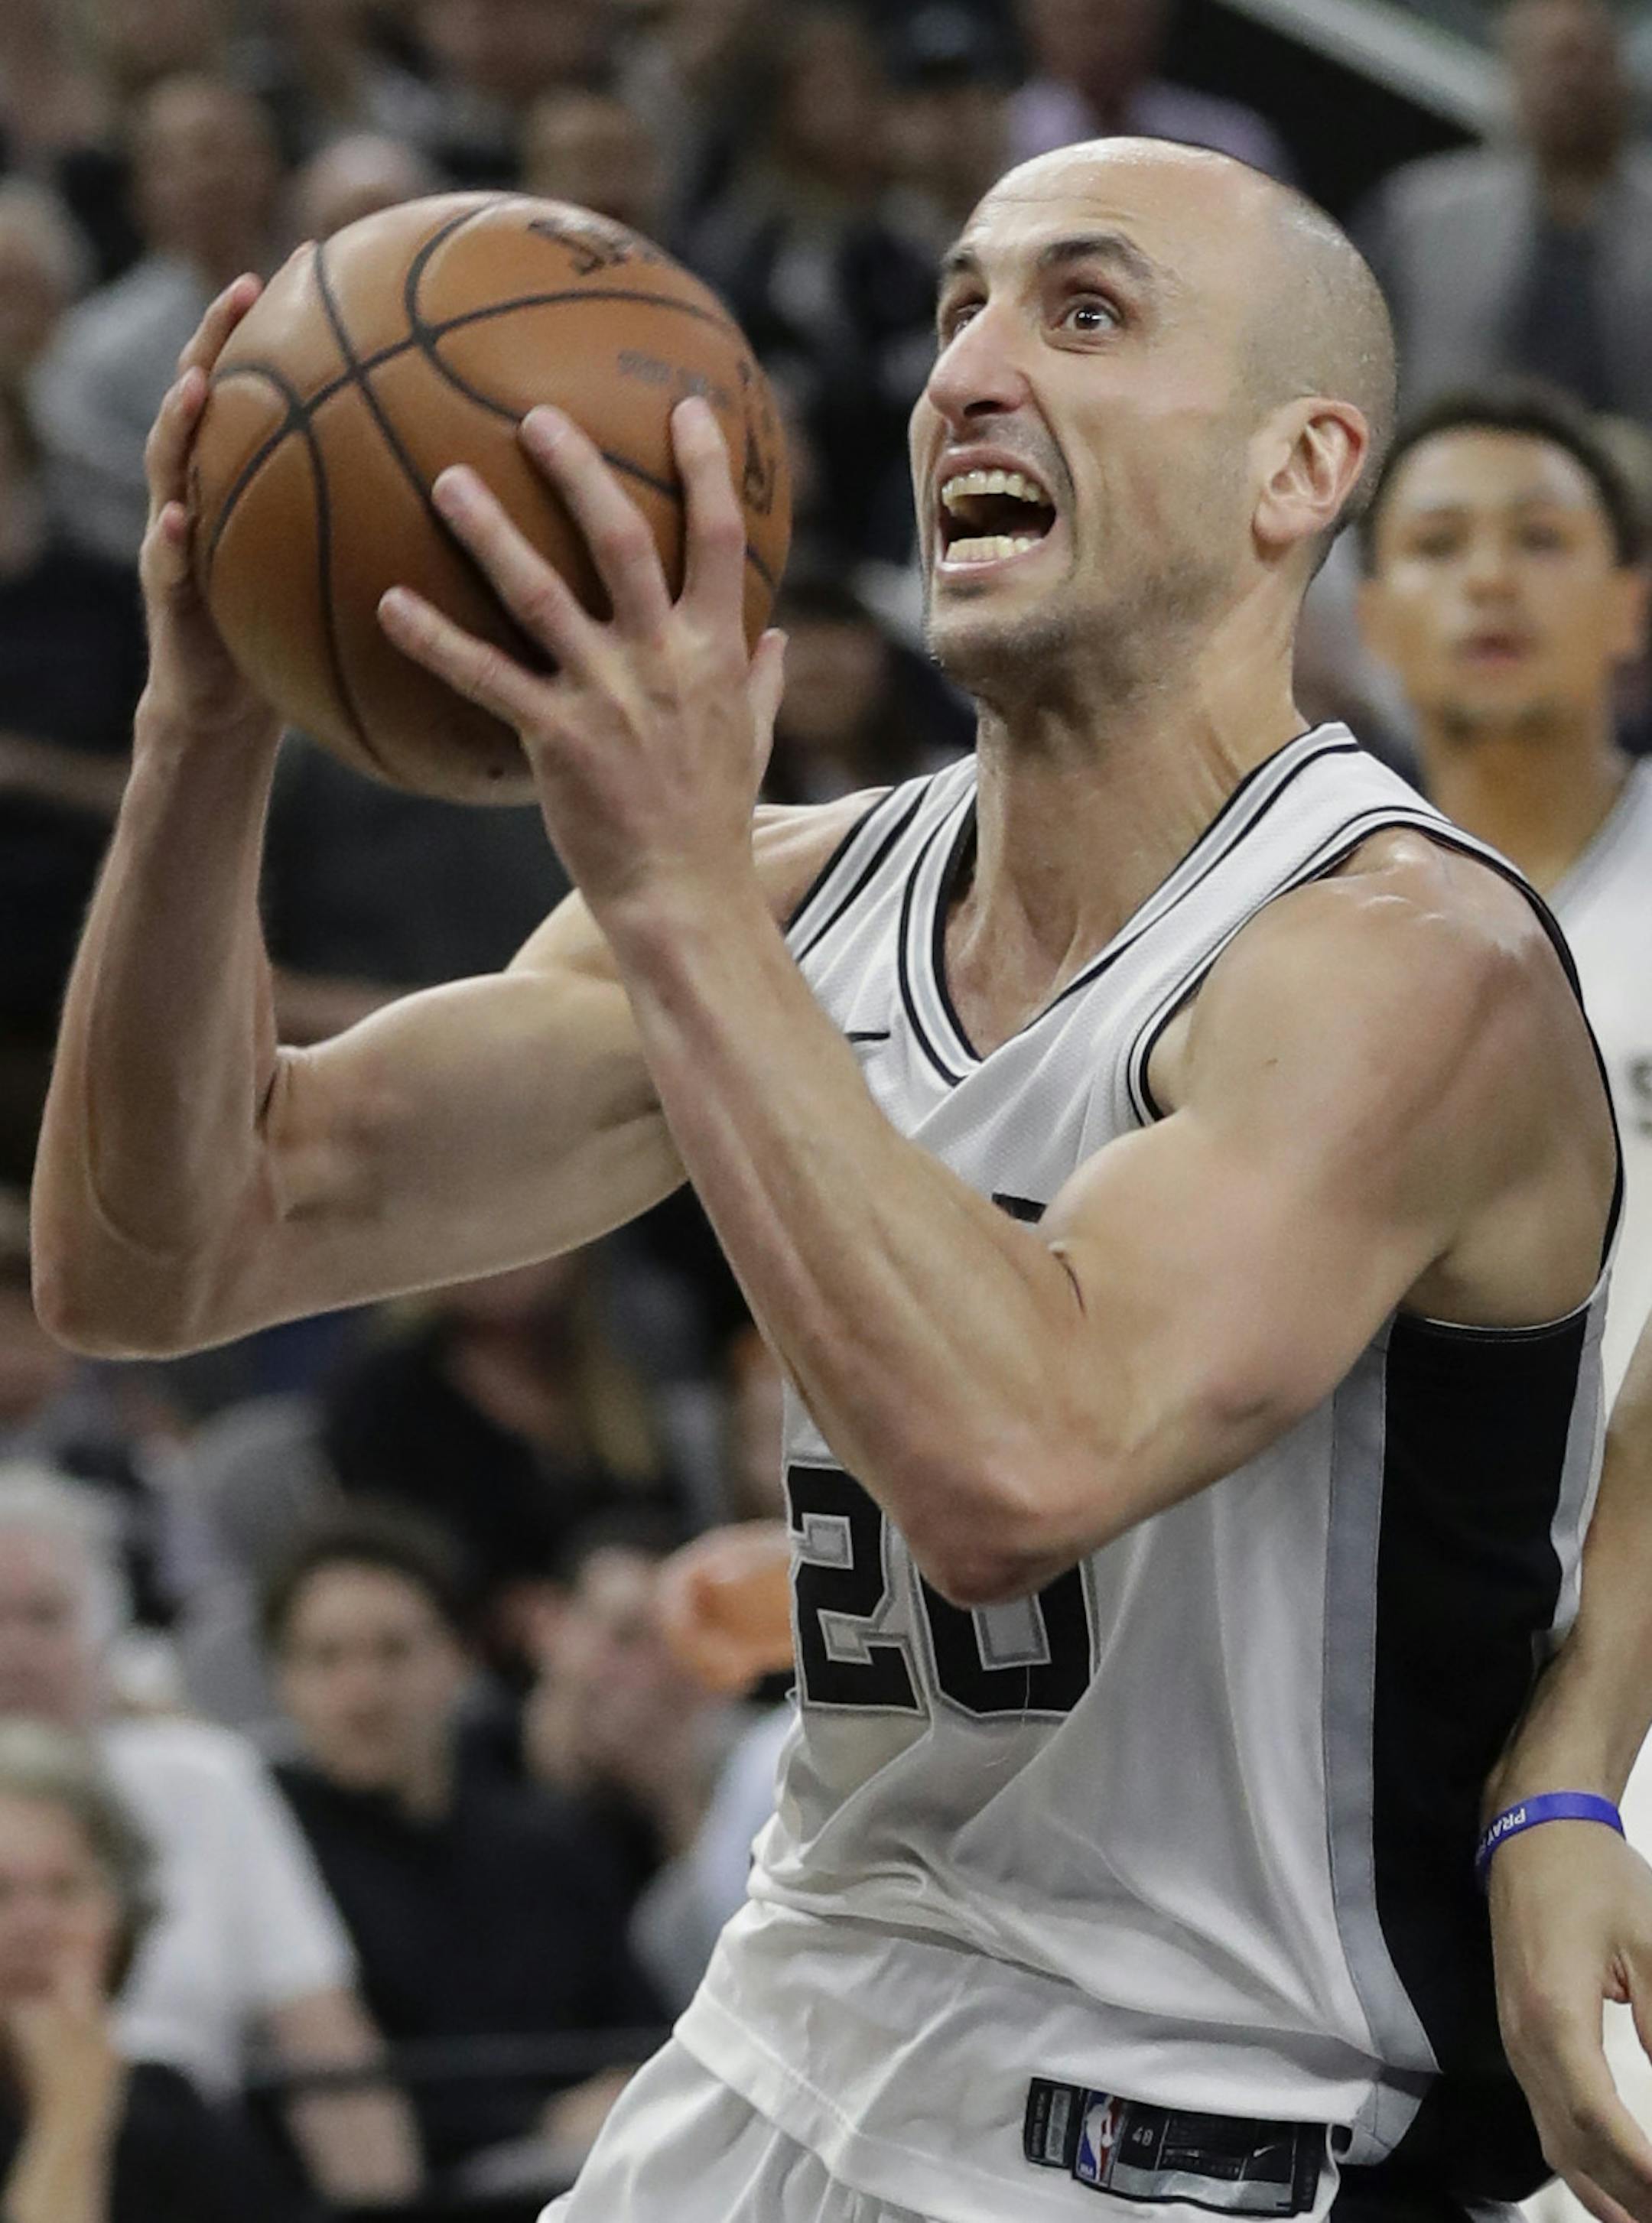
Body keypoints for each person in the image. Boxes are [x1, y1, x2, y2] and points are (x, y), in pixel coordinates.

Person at [26, 139, 1641, 2223]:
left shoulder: (1410, 964)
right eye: (960, 302)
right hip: (789, 2031)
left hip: (1201, 2105)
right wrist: (205, 731)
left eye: (1084, 311)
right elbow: (158, 1251)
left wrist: (682, 897)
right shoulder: (788, 894)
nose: (969, 367)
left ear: (1297, 468)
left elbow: (1017, 1462)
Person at [1354, 383, 1652, 2221]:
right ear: (1364, 610)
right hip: (1422, 1654)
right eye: (1434, 547)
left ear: (1629, 599)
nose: (1486, 583)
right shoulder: (1307, 917)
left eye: (1536, 541)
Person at [0, 1464, 423, 2206]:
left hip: (180, 2157)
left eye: (45, 1616)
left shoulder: (202, 1778)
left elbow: (324, 2040)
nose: (14, 1652)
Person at [262, 1507, 663, 2183]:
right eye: (326, 1658)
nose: (362, 1691)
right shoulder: (272, 1850)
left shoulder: (549, 1842)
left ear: (456, 1658)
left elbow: (640, 2029)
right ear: (283, 1682)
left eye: (393, 1651)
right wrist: (536, 2122)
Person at [0, 1716, 292, 2223]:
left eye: (66, 1889)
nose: (36, 1925)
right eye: (0, 1892)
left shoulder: (168, 2106)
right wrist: (72, 2113)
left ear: (122, 1917)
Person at [1358, 0, 1652, 427]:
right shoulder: (1420, 212)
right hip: (1444, 457)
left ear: (1621, 73)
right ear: (1511, 74)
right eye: (1547, 60)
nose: (1569, 81)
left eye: (1585, 58)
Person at [1010, 0, 1290, 180]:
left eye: (1117, 18)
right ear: (1035, 24)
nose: (1104, 40)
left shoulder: (1233, 138)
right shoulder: (998, 138)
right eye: (1085, 19)